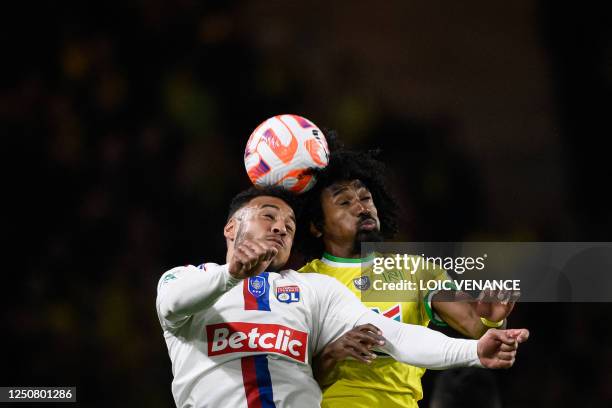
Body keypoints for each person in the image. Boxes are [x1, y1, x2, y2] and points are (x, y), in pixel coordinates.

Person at [156, 186, 528, 408]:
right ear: (231, 227)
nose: (280, 228)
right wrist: (231, 274)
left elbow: (394, 336)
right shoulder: (188, 279)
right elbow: (173, 304)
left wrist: (473, 352)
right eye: (268, 216)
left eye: (289, 225)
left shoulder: (314, 290)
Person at [299, 147, 523, 408]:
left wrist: (491, 317)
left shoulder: (417, 270)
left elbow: (475, 325)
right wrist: (330, 354)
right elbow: (286, 374)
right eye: (344, 202)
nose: (361, 208)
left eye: (366, 198)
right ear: (317, 225)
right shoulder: (302, 283)